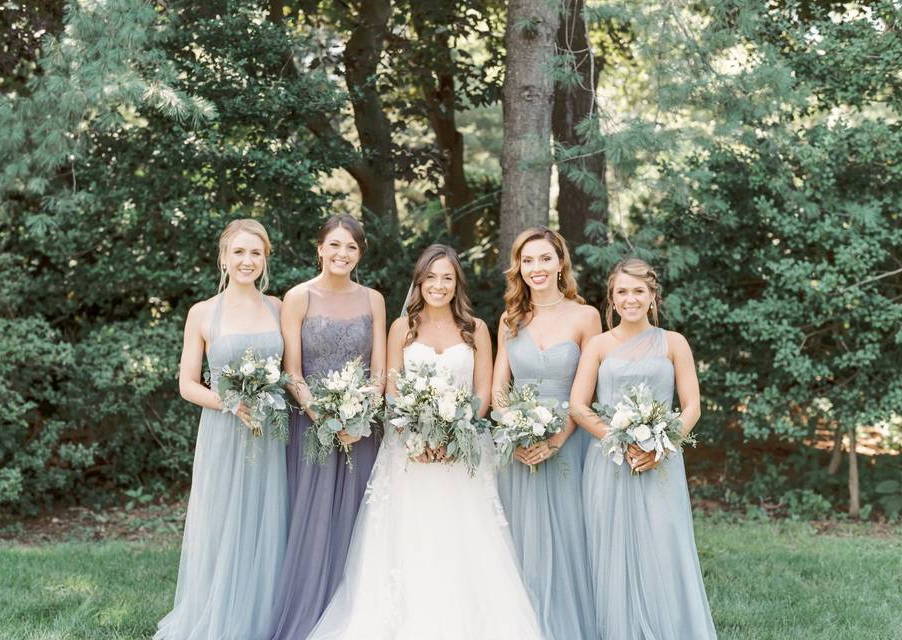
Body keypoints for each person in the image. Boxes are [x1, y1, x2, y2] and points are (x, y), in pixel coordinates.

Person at [307, 244, 543, 640]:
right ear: (419, 280)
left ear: (457, 283)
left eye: (447, 278)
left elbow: (484, 393)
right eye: (431, 277)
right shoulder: (402, 328)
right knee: (409, 540)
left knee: (464, 542)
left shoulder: (477, 329)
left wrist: (454, 432)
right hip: (408, 454)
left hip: (461, 451)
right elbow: (392, 391)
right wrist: (417, 433)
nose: (439, 285)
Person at [569, 257, 717, 640]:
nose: (630, 298)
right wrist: (619, 439)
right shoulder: (599, 345)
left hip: (662, 464)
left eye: (639, 291)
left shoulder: (674, 343)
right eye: (622, 292)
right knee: (611, 554)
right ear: (611, 299)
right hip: (610, 463)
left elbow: (692, 407)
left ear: (653, 296)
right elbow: (579, 407)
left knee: (664, 549)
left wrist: (661, 447)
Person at [156, 219, 288, 640]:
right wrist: (232, 403)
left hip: (270, 433)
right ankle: (218, 616)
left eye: (255, 253)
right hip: (223, 433)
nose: (247, 261)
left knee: (268, 521)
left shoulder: (279, 307)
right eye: (239, 252)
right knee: (223, 522)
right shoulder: (202, 313)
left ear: (265, 258)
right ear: (224, 258)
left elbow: (294, 369)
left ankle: (263, 616)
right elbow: (187, 384)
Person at [267, 214, 387, 640]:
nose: (342, 254)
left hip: (362, 429)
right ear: (320, 248)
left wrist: (360, 417)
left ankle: (355, 618)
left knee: (360, 519)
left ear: (360, 253)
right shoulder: (298, 297)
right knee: (313, 517)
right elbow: (292, 370)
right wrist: (322, 415)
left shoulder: (373, 299)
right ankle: (308, 614)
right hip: (311, 425)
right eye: (335, 245)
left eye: (351, 247)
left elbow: (380, 373)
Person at [492, 227, 601, 639]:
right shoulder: (510, 318)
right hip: (519, 449)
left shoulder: (585, 316)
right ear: (518, 268)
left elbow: (587, 390)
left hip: (569, 444)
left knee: (570, 538)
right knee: (521, 543)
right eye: (527, 260)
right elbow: (500, 389)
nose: (536, 268)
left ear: (560, 263)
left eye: (544, 259)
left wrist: (555, 441)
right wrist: (515, 431)